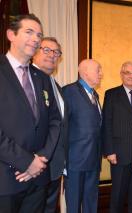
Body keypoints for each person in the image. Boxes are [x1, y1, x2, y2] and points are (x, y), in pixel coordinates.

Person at [0, 14, 61, 213]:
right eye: (29, 32)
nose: (36, 39)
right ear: (11, 34)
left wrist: (41, 159)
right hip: (6, 180)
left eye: (39, 35)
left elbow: (54, 121)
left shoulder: (41, 78)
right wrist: (27, 162)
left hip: (38, 179)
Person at [102, 61, 132, 213]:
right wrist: (109, 150)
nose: (131, 76)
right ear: (121, 74)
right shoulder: (111, 94)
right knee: (118, 195)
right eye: (127, 73)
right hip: (120, 154)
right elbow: (106, 124)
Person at [63, 59, 103, 213]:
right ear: (85, 72)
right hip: (75, 161)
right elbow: (62, 126)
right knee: (73, 204)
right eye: (98, 70)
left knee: (90, 203)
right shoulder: (69, 92)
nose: (101, 74)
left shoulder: (95, 95)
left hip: (93, 160)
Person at [32, 37, 67, 213]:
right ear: (35, 51)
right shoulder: (28, 81)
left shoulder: (57, 87)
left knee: (50, 207)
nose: (52, 55)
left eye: (56, 52)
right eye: (47, 50)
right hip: (35, 163)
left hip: (55, 163)